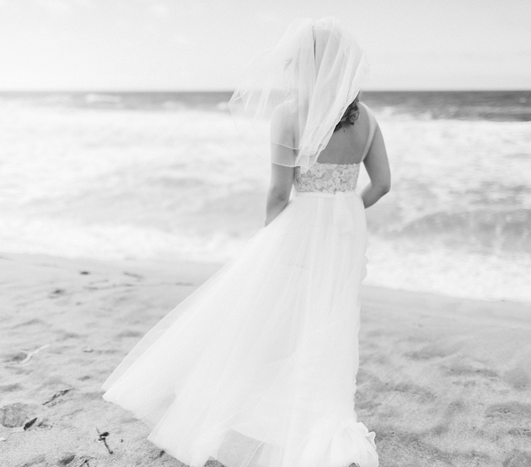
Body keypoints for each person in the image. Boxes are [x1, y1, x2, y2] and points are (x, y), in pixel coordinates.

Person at [102, 18, 390, 467]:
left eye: (295, 63)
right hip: (345, 233)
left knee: (271, 318)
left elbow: (278, 192)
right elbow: (383, 185)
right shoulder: (367, 118)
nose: (289, 69)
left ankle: (260, 407)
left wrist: (276, 235)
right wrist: (344, 214)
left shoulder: (290, 115)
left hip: (300, 227)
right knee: (331, 320)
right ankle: (325, 417)